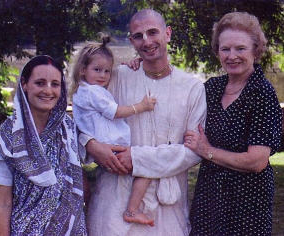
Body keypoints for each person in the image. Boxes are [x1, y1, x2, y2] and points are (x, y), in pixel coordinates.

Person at [80, 9, 207, 236]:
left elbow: (193, 151)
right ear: (132, 41)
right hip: (113, 206)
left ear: (167, 34)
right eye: (138, 36)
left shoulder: (192, 87)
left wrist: (138, 158)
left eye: (152, 32)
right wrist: (90, 144)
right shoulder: (115, 76)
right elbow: (83, 118)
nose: (146, 41)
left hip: (166, 210)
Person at [184, 12, 283, 236]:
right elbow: (175, 97)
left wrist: (208, 152)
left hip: (247, 204)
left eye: (240, 48)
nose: (232, 56)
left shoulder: (262, 93)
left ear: (255, 50)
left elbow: (256, 161)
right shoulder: (212, 88)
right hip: (209, 199)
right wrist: (141, 67)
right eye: (225, 49)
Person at [0, 55, 87, 235]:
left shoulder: (69, 129)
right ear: (24, 84)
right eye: (40, 83)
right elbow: (2, 202)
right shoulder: (7, 137)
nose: (48, 91)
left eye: (55, 84)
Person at [71, 36, 158, 226]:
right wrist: (141, 106)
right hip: (112, 149)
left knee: (140, 170)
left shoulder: (83, 91)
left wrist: (130, 65)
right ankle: (132, 211)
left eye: (107, 71)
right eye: (97, 70)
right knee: (148, 168)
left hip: (105, 148)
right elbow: (115, 112)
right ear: (83, 69)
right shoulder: (93, 92)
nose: (103, 75)